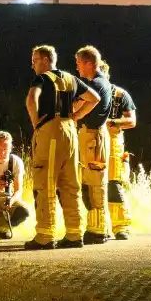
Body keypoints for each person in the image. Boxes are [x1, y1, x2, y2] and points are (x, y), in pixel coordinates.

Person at [25, 44, 98, 250]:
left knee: (45, 181)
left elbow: (31, 100)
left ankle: (45, 235)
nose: (32, 65)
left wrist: (36, 123)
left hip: (50, 131)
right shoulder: (70, 78)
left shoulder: (41, 78)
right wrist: (75, 116)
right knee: (70, 183)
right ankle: (75, 234)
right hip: (70, 131)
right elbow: (94, 98)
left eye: (35, 59)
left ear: (47, 60)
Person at [73, 46, 114, 244]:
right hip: (94, 136)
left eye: (79, 63)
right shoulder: (100, 82)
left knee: (94, 184)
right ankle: (101, 228)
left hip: (92, 137)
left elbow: (79, 106)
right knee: (94, 182)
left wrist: (72, 116)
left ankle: (97, 231)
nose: (77, 67)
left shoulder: (96, 84)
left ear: (89, 63)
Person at [102, 61, 138, 240]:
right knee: (89, 187)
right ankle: (97, 227)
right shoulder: (84, 93)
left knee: (114, 185)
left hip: (113, 144)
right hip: (88, 144)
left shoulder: (120, 94)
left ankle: (121, 227)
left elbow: (132, 121)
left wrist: (112, 122)